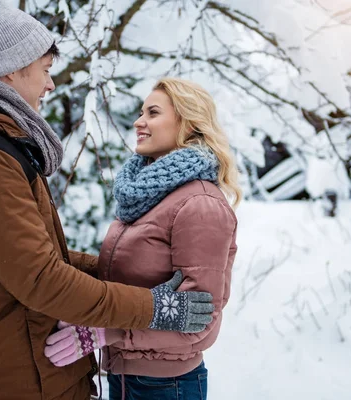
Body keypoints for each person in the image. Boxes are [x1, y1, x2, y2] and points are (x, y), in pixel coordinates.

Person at [0, 2, 215, 399]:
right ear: (13, 67)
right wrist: (153, 306)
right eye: (45, 70)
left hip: (20, 367)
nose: (50, 85)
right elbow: (42, 279)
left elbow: (32, 258)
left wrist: (119, 271)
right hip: (10, 378)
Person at [44, 77, 241, 400]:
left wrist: (107, 330)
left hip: (166, 386)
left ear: (188, 125)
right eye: (140, 112)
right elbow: (127, 277)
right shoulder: (150, 197)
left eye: (152, 113)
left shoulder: (199, 205)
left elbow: (201, 318)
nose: (139, 122)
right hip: (127, 377)